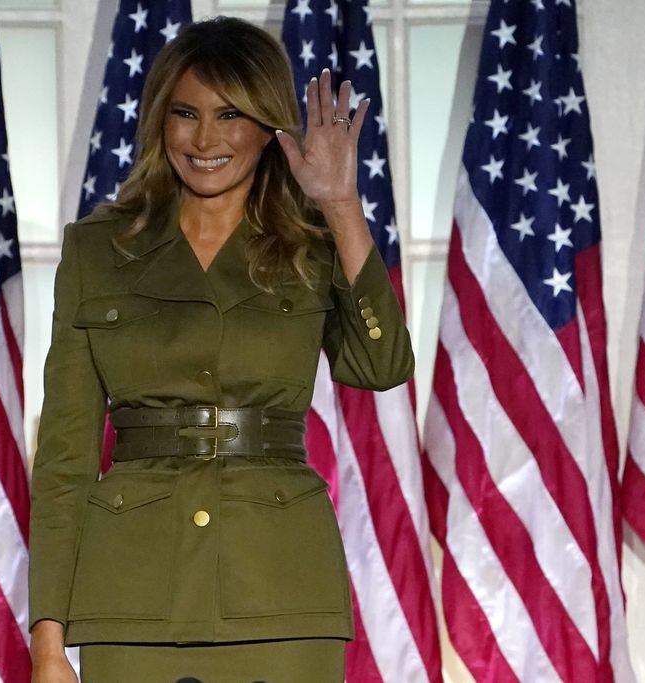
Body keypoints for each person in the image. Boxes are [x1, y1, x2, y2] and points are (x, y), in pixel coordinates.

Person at [29, 16, 414, 683]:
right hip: (133, 599)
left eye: (230, 114)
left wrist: (341, 204)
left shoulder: (315, 245)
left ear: (268, 125)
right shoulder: (97, 251)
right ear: (159, 121)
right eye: (186, 113)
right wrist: (47, 644)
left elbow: (380, 365)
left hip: (280, 594)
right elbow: (64, 459)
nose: (205, 139)